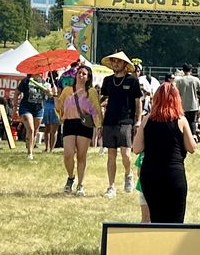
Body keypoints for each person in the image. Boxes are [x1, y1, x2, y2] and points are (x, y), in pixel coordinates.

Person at [134, 84, 196, 224]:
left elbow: (136, 148)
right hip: (173, 174)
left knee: (156, 219)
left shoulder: (147, 119)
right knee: (176, 219)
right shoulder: (180, 120)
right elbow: (192, 148)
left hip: (151, 174)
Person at [97, 53, 143, 197]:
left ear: (125, 64)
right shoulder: (107, 81)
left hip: (126, 120)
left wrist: (138, 120)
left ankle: (128, 175)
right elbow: (102, 98)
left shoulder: (132, 80)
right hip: (109, 121)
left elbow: (138, 102)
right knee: (111, 154)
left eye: (118, 61)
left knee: (126, 153)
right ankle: (111, 186)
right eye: (113, 61)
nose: (115, 64)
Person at [58, 65, 102, 195]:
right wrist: (55, 96)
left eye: (84, 74)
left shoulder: (91, 92)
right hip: (70, 122)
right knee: (68, 154)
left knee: (81, 156)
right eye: (79, 73)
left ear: (88, 77)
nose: (81, 75)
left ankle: (81, 184)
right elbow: (59, 106)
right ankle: (71, 177)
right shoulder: (67, 90)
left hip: (84, 124)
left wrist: (99, 125)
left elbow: (96, 110)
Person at [173, 65, 200, 145]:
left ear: (183, 70)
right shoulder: (195, 79)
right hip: (193, 105)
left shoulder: (179, 81)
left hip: (182, 106)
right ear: (191, 70)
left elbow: (175, 92)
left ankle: (183, 137)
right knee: (192, 122)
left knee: (182, 121)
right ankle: (193, 136)